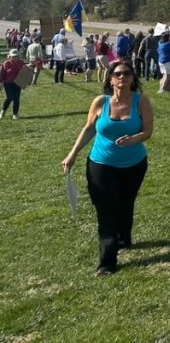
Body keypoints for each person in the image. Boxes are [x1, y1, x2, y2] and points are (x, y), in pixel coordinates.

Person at [60, 62, 154, 276]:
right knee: (106, 208)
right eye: (117, 74)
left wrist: (134, 139)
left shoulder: (141, 101)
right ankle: (107, 262)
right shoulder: (100, 102)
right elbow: (89, 129)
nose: (122, 77)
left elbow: (148, 130)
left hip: (134, 165)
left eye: (126, 74)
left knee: (125, 202)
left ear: (132, 78)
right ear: (110, 79)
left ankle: (124, 237)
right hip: (101, 165)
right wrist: (72, 154)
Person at [1, 50, 25, 119]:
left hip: (18, 83)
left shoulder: (21, 63)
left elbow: (25, 71)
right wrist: (1, 82)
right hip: (8, 83)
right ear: (9, 56)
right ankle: (3, 111)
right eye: (13, 56)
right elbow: (2, 74)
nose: (14, 58)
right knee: (10, 97)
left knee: (16, 99)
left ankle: (15, 114)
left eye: (16, 56)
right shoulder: (6, 63)